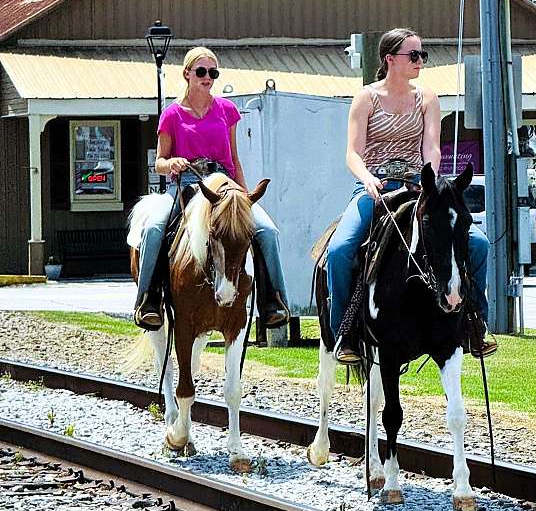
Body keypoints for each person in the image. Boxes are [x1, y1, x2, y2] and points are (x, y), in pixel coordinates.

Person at [327, 28, 497, 364]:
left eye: (422, 55)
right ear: (390, 59)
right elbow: (352, 153)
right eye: (413, 55)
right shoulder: (366, 98)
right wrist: (368, 180)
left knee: (479, 244)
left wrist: (429, 180)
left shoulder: (427, 97)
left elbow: (432, 147)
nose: (420, 61)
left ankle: (474, 321)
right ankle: (343, 333)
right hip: (374, 189)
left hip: (419, 189)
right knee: (340, 250)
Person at [134, 46, 289, 330]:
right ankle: (148, 300)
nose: (208, 78)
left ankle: (273, 302)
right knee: (154, 227)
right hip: (187, 184)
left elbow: (234, 158)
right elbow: (158, 162)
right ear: (187, 74)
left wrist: (244, 196)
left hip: (225, 185)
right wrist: (174, 163)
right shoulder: (171, 115)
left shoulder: (227, 110)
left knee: (267, 230)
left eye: (213, 73)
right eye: (202, 72)